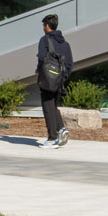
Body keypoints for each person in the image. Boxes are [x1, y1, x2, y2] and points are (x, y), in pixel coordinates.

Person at [34, 14, 74, 148]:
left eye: (43, 25)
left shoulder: (44, 40)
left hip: (47, 79)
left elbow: (41, 58)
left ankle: (52, 138)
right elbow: (69, 64)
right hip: (59, 81)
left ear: (47, 25)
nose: (43, 28)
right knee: (53, 106)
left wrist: (39, 70)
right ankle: (62, 129)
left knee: (47, 107)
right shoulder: (65, 44)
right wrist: (62, 78)